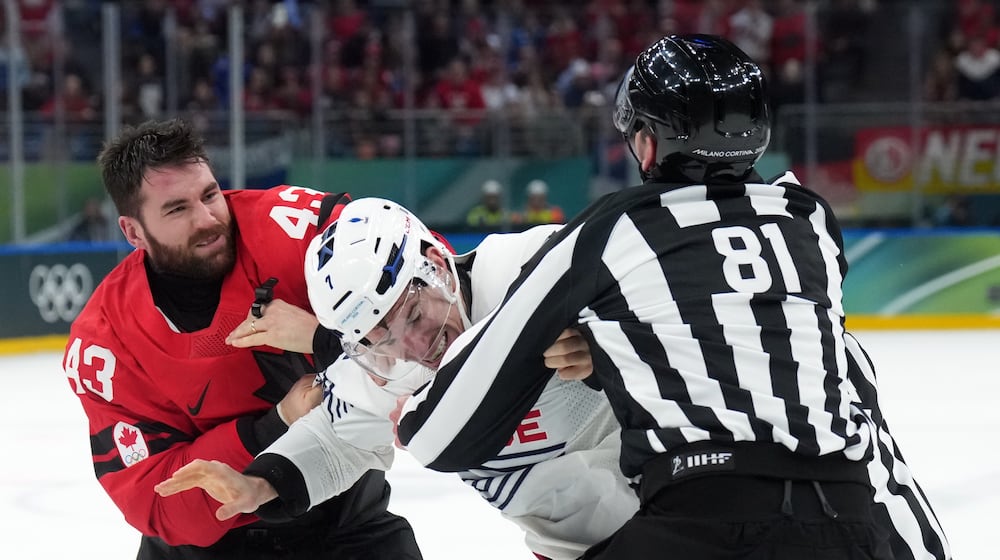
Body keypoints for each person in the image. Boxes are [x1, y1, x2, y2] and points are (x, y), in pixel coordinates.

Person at [395, 35, 952, 560]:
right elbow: (770, 351)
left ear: (646, 142)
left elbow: (442, 438)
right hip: (849, 518)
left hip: (704, 517)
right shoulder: (809, 220)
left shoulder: (612, 229)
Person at [154, 197, 639, 560]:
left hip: (685, 506)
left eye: (410, 315)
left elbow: (692, 312)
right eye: (377, 339)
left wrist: (608, 347)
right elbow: (333, 440)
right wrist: (257, 485)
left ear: (435, 264)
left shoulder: (539, 266)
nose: (413, 348)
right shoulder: (385, 372)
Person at [61, 118, 422, 560]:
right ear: (133, 232)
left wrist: (322, 338)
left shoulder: (296, 231)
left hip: (342, 518)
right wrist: (274, 425)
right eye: (178, 209)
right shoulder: (106, 339)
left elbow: (435, 296)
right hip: (203, 548)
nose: (208, 219)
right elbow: (156, 500)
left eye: (210, 194)